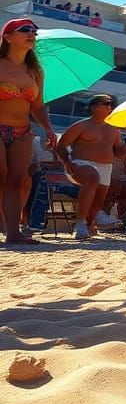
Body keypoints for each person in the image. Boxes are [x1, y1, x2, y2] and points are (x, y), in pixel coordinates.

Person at [0, 19, 59, 246]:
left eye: (34, 31)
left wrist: (48, 128)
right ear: (7, 37)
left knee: (17, 180)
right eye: (24, 30)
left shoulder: (35, 71)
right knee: (1, 175)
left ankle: (13, 234)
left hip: (23, 131)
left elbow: (37, 105)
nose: (31, 34)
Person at [56, 94, 126, 239]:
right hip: (80, 164)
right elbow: (61, 146)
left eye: (110, 104)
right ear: (93, 106)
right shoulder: (81, 126)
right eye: (104, 103)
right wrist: (67, 162)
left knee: (97, 201)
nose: (108, 106)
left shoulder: (114, 129)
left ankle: (88, 225)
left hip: (105, 167)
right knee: (92, 177)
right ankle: (80, 223)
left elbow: (118, 152)